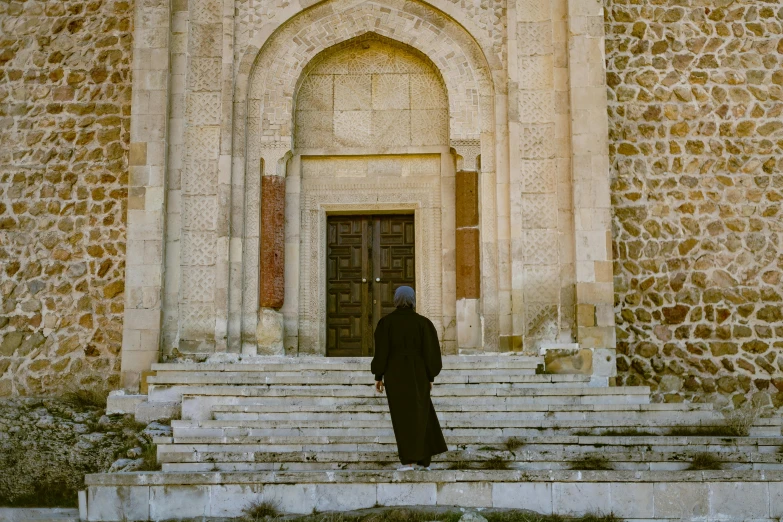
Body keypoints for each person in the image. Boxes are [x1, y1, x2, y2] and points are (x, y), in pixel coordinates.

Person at [371, 286, 448, 471]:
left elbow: (382, 352)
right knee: (421, 414)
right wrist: (430, 375)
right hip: (418, 374)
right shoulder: (423, 323)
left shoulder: (386, 323)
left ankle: (411, 461)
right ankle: (422, 460)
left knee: (402, 417)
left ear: (396, 300)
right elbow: (431, 352)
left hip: (395, 375)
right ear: (413, 300)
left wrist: (378, 375)